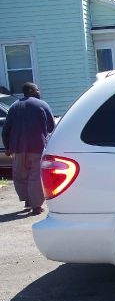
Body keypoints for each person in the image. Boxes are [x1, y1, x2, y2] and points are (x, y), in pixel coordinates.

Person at [1, 82, 55, 215]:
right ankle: (36, 206)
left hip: (18, 148)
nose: (39, 92)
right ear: (31, 91)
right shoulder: (42, 105)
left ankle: (27, 200)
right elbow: (51, 127)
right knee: (35, 177)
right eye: (37, 89)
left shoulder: (14, 107)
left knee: (20, 175)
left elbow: (6, 130)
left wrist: (7, 147)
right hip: (37, 146)